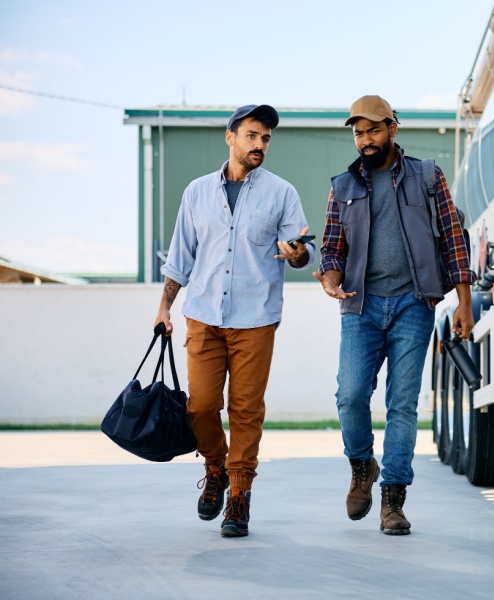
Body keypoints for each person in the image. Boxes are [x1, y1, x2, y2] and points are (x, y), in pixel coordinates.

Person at [314, 95, 474, 535]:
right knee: (349, 395)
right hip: (360, 305)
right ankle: (362, 465)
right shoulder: (342, 187)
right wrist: (329, 279)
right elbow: (331, 248)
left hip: (413, 303)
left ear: (392, 128)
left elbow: (453, 241)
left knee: (401, 405)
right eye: (358, 133)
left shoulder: (427, 176)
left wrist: (463, 302)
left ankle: (394, 502)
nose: (365, 140)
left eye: (373, 130)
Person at [154, 104, 315, 538]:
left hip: (255, 318)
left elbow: (301, 250)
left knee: (246, 410)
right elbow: (180, 255)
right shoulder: (197, 192)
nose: (260, 144)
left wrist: (298, 254)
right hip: (203, 316)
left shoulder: (281, 193)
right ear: (231, 137)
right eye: (252, 136)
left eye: (265, 139)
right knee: (201, 405)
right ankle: (215, 468)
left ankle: (239, 494)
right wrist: (164, 307)